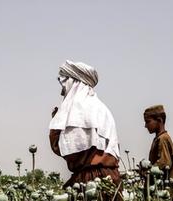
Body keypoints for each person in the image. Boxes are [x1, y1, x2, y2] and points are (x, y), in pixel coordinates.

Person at [49, 60, 121, 189]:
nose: (62, 92)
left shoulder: (76, 111)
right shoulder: (102, 109)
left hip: (90, 181)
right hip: (112, 179)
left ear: (73, 83)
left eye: (63, 86)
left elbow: (70, 152)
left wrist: (57, 126)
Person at [143, 105, 173, 181]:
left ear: (159, 120)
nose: (146, 126)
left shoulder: (163, 138)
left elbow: (165, 162)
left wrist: (147, 171)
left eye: (148, 122)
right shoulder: (159, 138)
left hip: (165, 188)